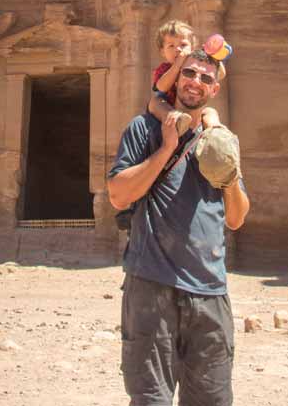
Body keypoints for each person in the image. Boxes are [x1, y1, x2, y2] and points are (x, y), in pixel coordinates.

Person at [108, 49, 250, 406]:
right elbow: (118, 195)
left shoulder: (221, 139)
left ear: (214, 89)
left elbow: (237, 217)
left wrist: (227, 174)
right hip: (151, 285)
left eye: (205, 77)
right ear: (176, 77)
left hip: (209, 289)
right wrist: (167, 148)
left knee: (211, 398)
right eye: (189, 73)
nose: (195, 82)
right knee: (150, 398)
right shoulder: (144, 129)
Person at [148, 19, 221, 135]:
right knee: (154, 102)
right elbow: (161, 87)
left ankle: (216, 131)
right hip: (167, 103)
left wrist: (214, 57)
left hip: (192, 108)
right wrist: (178, 64)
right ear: (162, 52)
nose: (177, 49)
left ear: (192, 47)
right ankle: (176, 121)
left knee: (210, 111)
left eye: (183, 45)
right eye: (171, 46)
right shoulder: (164, 68)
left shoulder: (197, 63)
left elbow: (221, 74)